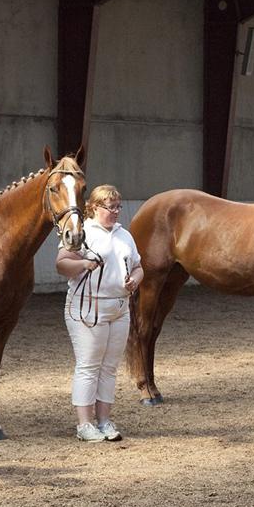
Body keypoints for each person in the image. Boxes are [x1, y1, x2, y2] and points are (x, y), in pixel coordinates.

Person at [56, 185, 143, 442]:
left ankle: (104, 420)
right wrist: (83, 264)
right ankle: (84, 424)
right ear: (94, 207)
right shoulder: (81, 233)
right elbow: (61, 264)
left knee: (109, 367)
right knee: (89, 365)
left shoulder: (124, 235)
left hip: (119, 307)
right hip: (87, 308)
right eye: (110, 207)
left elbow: (138, 266)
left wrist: (135, 280)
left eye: (118, 206)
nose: (116, 211)